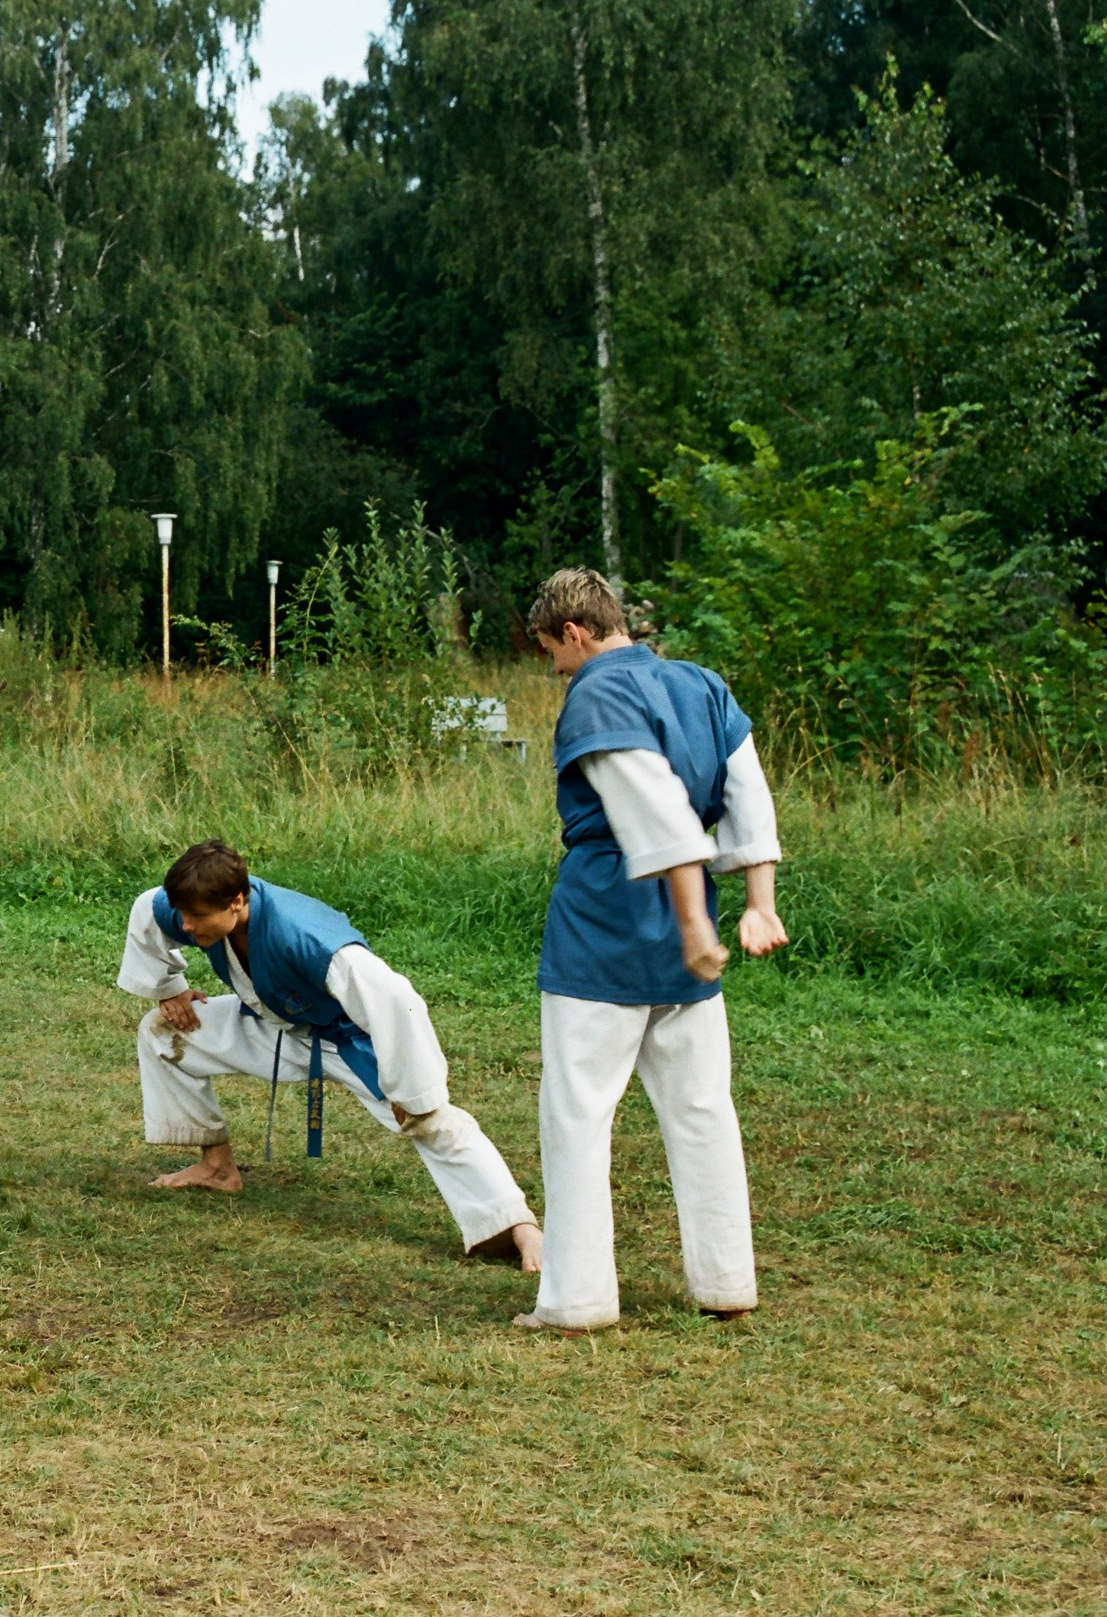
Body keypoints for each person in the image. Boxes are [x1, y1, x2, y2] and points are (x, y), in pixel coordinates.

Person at [516, 567, 788, 1335]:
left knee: (577, 1111)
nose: (556, 669)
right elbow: (748, 796)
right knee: (702, 1107)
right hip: (684, 922)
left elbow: (654, 810)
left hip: (611, 919)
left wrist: (699, 923)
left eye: (551, 652)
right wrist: (758, 904)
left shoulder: (597, 693)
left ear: (574, 633)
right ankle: (727, 1280)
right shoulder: (702, 683)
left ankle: (578, 1300)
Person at [119, 839, 544, 1271]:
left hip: (345, 1038)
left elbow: (397, 1000)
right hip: (274, 1024)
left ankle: (517, 1227)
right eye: (183, 915)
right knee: (163, 1034)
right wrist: (169, 988)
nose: (186, 926)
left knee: (431, 1120)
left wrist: (411, 1092)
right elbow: (146, 909)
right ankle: (216, 1168)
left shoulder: (309, 940)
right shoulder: (194, 903)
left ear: (237, 901)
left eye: (197, 918)